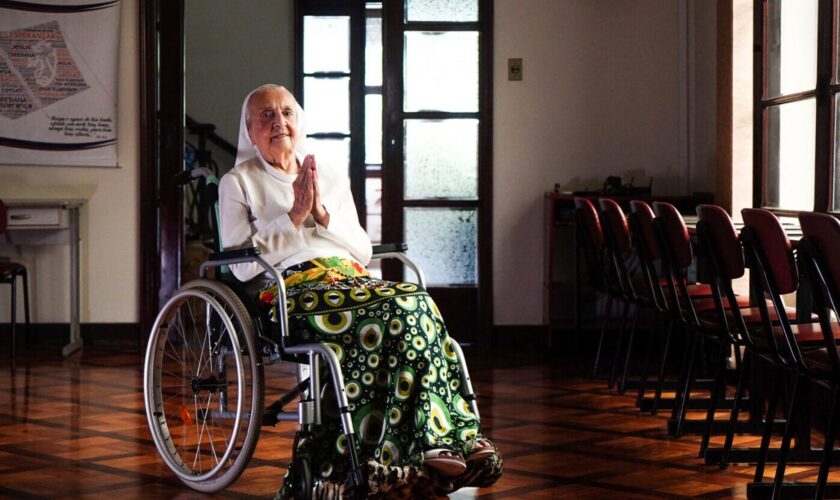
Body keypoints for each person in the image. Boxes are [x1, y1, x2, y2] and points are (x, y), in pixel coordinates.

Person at [219, 84, 501, 498]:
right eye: (266, 116)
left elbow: (362, 248)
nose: (279, 121)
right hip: (293, 288)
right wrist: (294, 217)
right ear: (249, 130)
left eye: (287, 113)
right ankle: (434, 437)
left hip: (349, 279)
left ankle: (442, 437)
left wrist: (321, 214)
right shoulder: (237, 182)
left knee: (414, 301)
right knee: (396, 307)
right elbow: (241, 265)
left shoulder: (326, 173)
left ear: (299, 121)